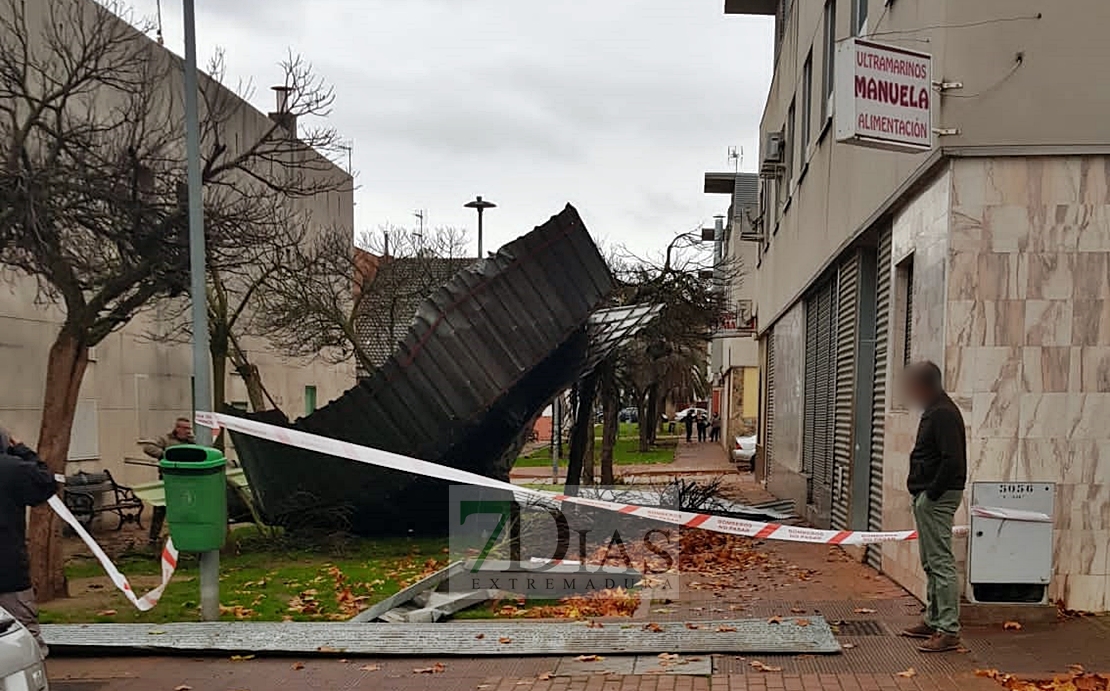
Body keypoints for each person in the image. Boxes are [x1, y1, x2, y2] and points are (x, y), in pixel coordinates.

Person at [899, 361, 967, 653]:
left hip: (936, 496)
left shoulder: (943, 414)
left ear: (925, 386)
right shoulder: (936, 410)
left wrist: (931, 493)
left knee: (939, 561)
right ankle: (934, 618)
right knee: (930, 560)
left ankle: (948, 629)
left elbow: (953, 460)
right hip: (930, 494)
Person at [0, 426, 56, 656]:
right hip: (7, 566)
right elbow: (46, 484)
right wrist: (23, 451)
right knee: (22, 631)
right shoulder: (12, 469)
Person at [142, 417, 195, 546]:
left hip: (188, 481)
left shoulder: (193, 442)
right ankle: (153, 539)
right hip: (168, 480)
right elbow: (147, 447)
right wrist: (165, 454)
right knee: (160, 509)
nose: (188, 431)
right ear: (177, 428)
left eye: (189, 428)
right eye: (185, 428)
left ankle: (183, 536)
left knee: (185, 510)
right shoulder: (166, 439)